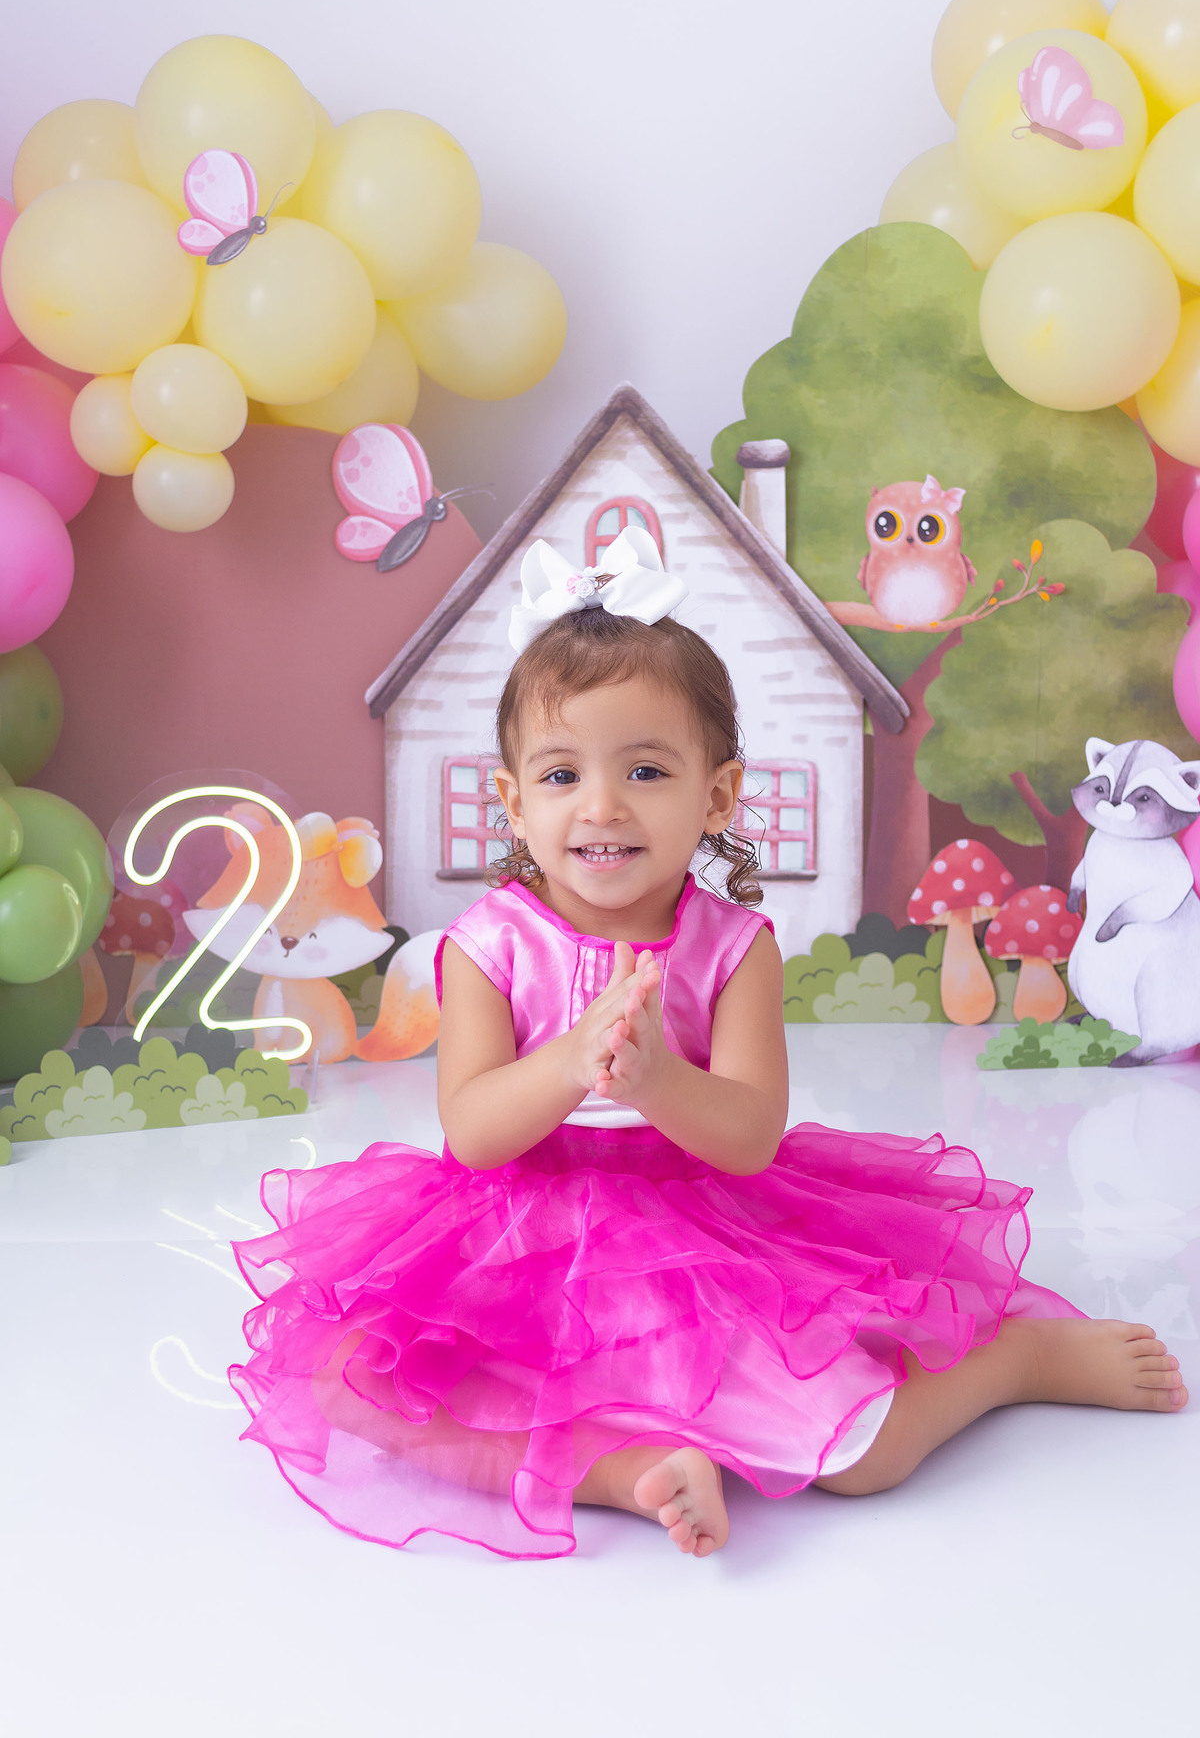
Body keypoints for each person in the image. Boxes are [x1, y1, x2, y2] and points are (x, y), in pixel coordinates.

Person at [229, 530, 1188, 1560]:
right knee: (358, 1385)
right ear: (513, 801)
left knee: (860, 1458)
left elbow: (748, 1135)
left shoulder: (734, 948)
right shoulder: (486, 948)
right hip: (516, 1231)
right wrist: (570, 1062)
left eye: (645, 769)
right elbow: (472, 1131)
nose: (601, 805)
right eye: (561, 774)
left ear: (717, 795)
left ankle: (1013, 1364)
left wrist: (654, 1081)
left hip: (702, 1225)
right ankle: (628, 1473)